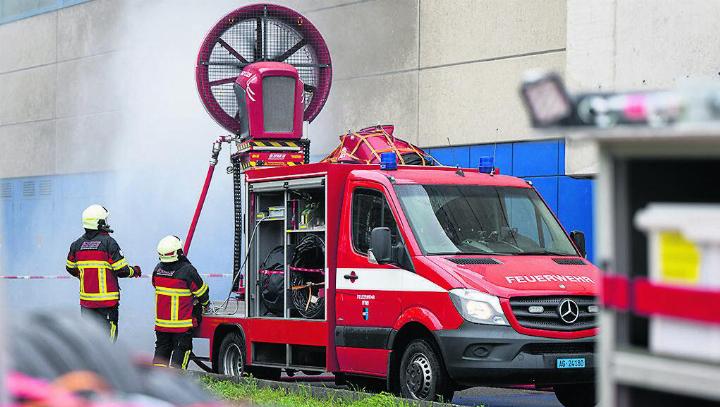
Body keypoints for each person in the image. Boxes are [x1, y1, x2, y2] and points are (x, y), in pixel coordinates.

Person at [66, 204, 141, 342]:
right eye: (104, 221)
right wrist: (134, 271)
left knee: (91, 341)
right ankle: (105, 364)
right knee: (107, 342)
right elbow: (122, 270)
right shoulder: (109, 243)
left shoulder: (76, 245)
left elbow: (70, 268)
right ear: (99, 223)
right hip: (106, 304)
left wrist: (84, 276)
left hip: (87, 304)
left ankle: (90, 364)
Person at [152, 235, 209, 369]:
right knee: (181, 353)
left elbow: (155, 285)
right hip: (181, 326)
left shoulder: (157, 270)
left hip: (162, 326)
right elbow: (201, 292)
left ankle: (156, 383)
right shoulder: (187, 270)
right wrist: (205, 304)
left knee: (161, 353)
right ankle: (175, 384)